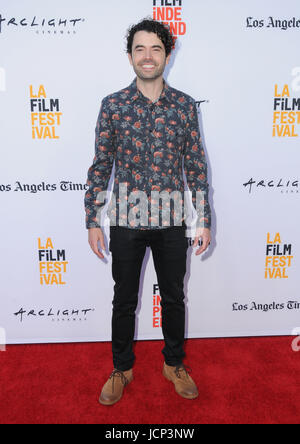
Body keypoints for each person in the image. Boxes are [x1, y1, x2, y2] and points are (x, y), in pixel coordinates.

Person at [84, 18, 212, 405]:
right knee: (123, 299)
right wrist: (93, 219)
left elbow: (196, 166)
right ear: (130, 56)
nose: (147, 56)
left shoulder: (185, 106)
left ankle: (174, 363)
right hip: (125, 220)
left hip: (172, 220)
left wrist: (203, 216)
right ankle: (121, 367)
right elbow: (101, 165)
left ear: (167, 54)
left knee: (174, 297)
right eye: (140, 48)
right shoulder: (113, 105)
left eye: (155, 48)